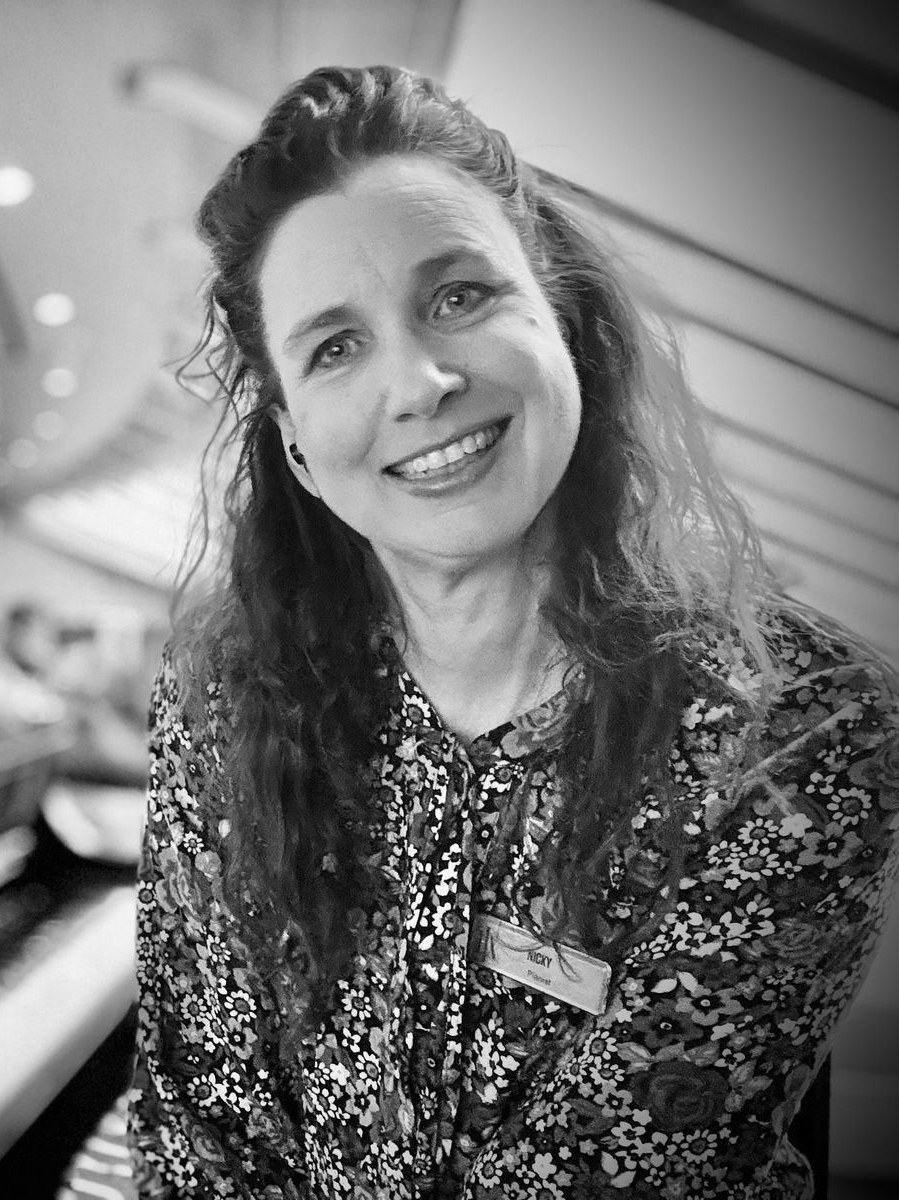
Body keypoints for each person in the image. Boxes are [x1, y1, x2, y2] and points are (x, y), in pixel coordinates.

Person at [96, 65, 899, 1199]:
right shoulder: (225, 696)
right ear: (297, 448)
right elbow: (200, 1128)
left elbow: (629, 1169)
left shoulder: (794, 721)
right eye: (335, 348)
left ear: (561, 319)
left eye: (459, 297)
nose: (419, 384)